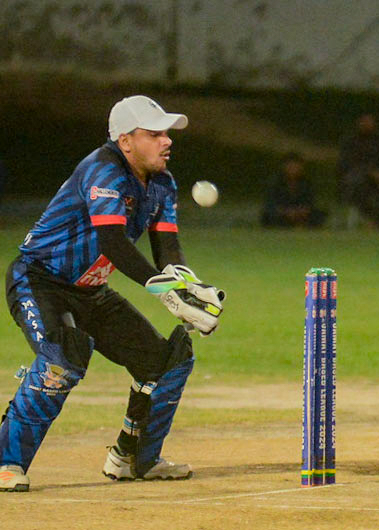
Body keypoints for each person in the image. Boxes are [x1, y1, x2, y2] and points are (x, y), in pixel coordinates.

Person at [0, 95, 226, 492]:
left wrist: (187, 285)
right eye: (154, 134)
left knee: (167, 362)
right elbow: (113, 243)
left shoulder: (162, 183)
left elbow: (167, 248)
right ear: (125, 141)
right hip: (39, 280)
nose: (167, 141)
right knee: (63, 357)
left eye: (166, 134)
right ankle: (6, 460)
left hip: (91, 291)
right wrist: (165, 293)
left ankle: (134, 458)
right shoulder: (103, 169)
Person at [337, 113, 379, 228]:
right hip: (356, 178)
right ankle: (374, 219)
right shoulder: (350, 141)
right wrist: (371, 173)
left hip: (378, 178)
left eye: (369, 121)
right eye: (364, 121)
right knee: (360, 189)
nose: (367, 124)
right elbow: (347, 164)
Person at [261, 152, 326, 228]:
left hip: (300, 213)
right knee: (269, 216)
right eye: (290, 166)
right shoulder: (276, 182)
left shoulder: (306, 183)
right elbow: (271, 203)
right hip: (283, 213)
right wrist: (286, 211)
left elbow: (310, 201)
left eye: (296, 166)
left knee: (318, 214)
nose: (293, 169)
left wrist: (302, 211)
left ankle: (301, 224)